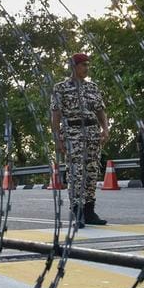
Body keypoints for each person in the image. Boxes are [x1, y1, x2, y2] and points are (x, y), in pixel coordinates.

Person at [49, 51, 109, 226]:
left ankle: (90, 211)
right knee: (76, 173)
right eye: (83, 65)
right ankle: (78, 211)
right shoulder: (60, 88)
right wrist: (57, 139)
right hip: (73, 134)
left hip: (92, 133)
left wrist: (105, 128)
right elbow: (56, 116)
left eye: (88, 65)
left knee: (91, 173)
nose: (87, 68)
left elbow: (100, 111)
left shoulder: (92, 87)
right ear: (73, 67)